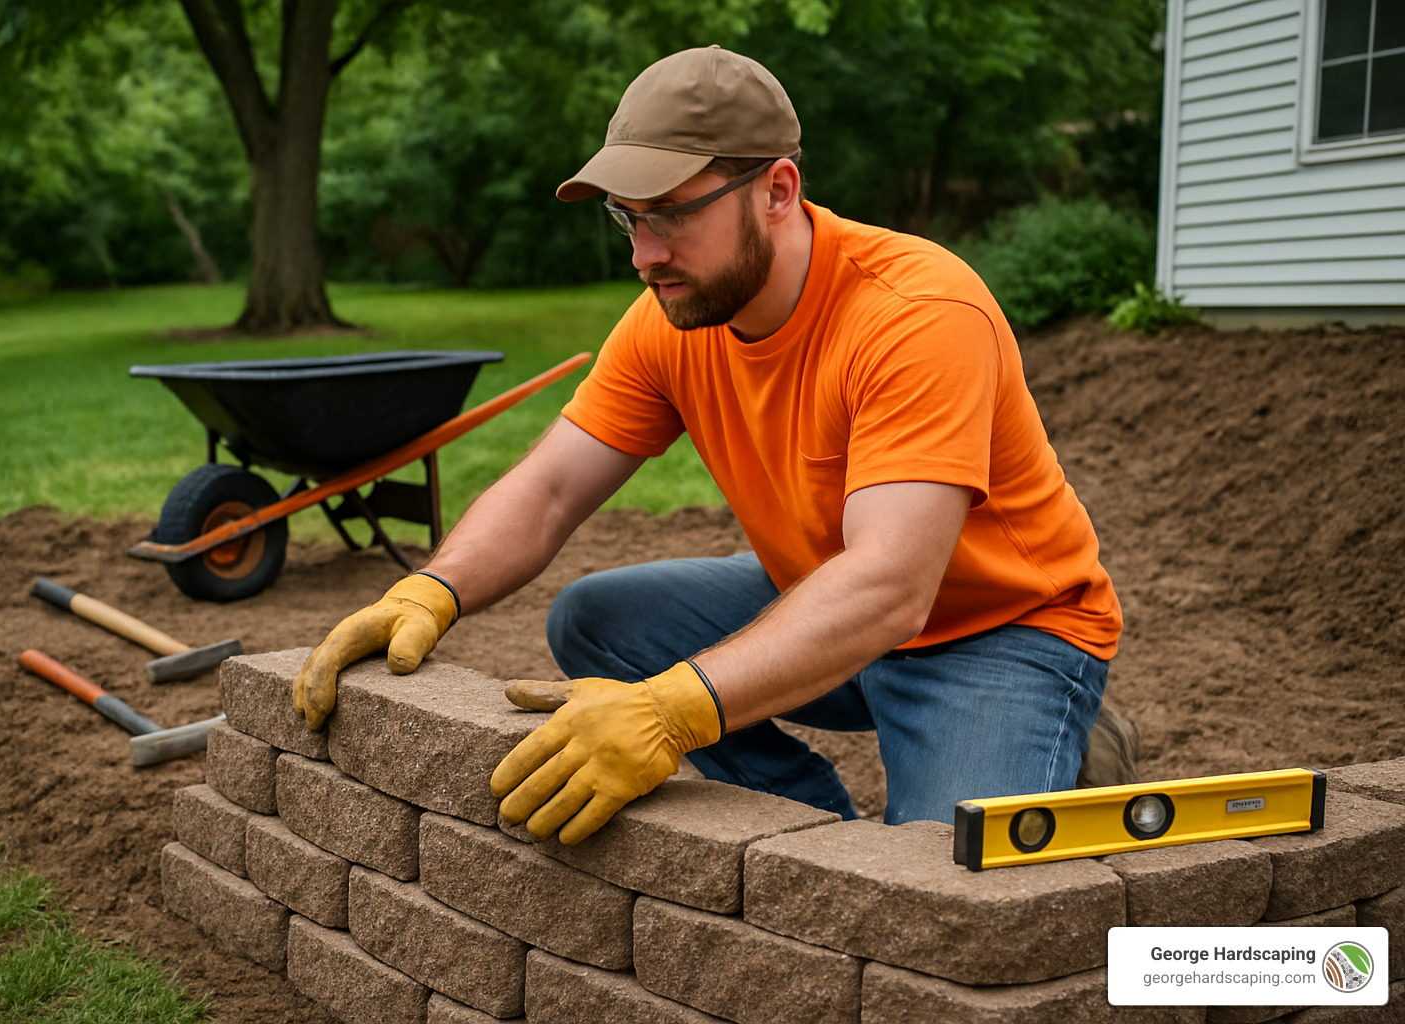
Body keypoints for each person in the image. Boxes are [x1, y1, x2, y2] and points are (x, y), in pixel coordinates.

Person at [291, 45, 1125, 846]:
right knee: (602, 622)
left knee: (949, 888)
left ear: (778, 189)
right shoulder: (674, 314)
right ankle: (809, 836)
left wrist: (669, 714)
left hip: (997, 631)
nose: (645, 256)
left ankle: (1058, 738)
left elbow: (892, 585)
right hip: (827, 594)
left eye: (674, 216)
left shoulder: (917, 314)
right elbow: (549, 489)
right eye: (628, 220)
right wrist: (429, 593)